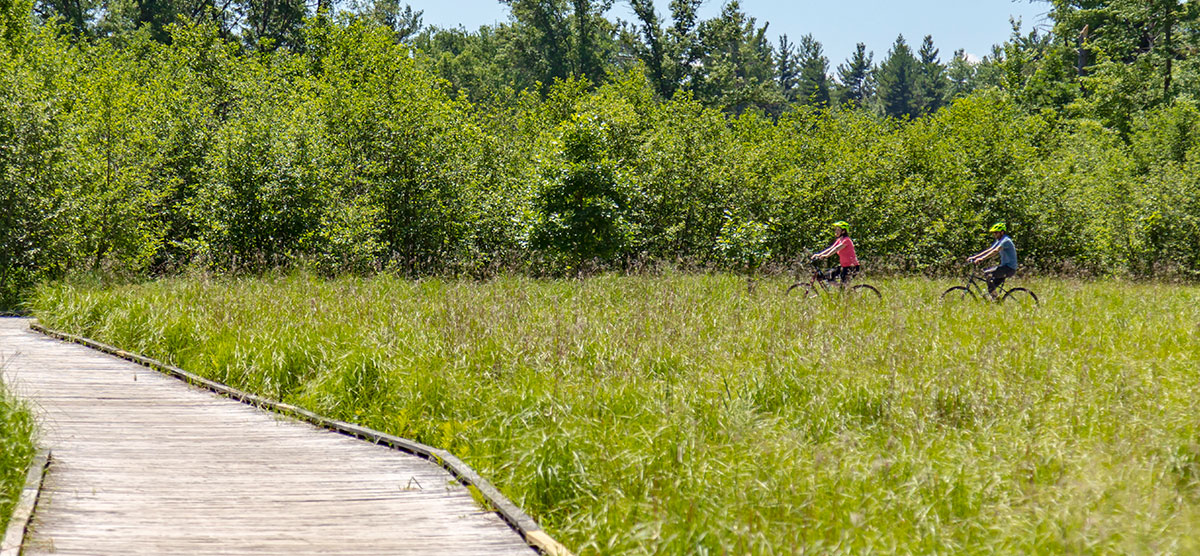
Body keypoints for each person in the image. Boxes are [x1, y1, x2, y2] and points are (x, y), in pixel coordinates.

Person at [968, 222, 1018, 298]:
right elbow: (990, 249)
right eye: (994, 233)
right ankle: (996, 301)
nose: (994, 235)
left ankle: (996, 298)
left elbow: (995, 251)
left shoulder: (1006, 241)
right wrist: (975, 257)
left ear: (1002, 232)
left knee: (988, 274)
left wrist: (982, 258)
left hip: (1009, 269)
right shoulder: (1000, 240)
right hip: (1004, 267)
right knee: (991, 288)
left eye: (996, 233)